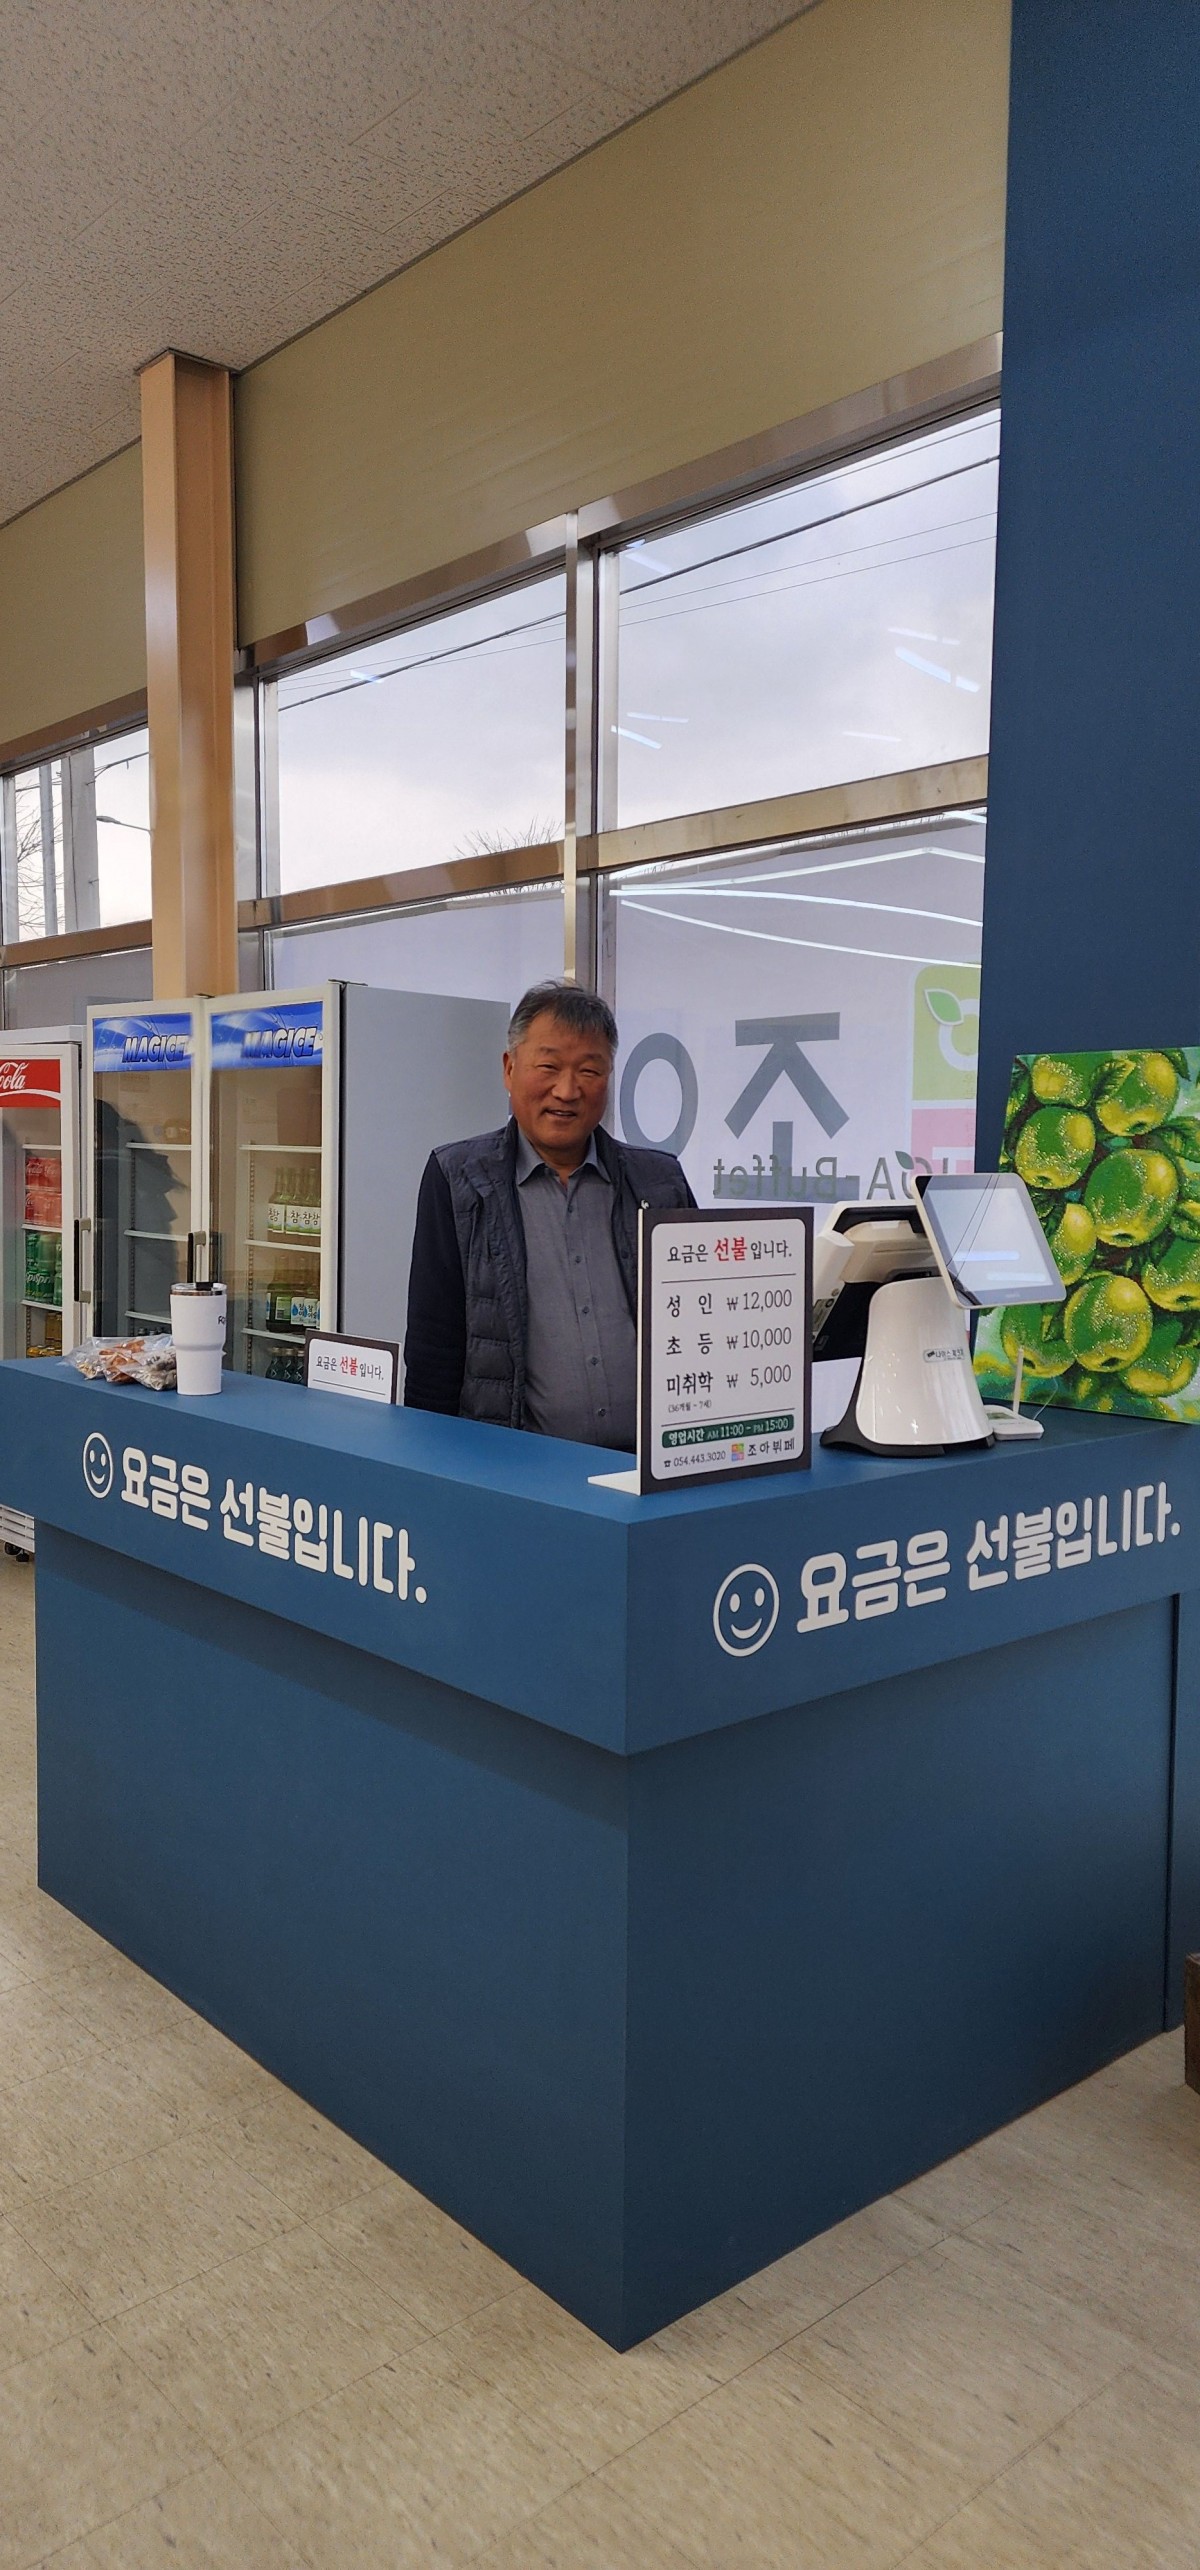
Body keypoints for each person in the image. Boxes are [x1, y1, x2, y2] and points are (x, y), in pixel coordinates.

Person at [404, 979, 695, 1447]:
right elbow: (433, 1346)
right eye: (549, 1066)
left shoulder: (660, 1182)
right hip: (513, 1468)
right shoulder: (458, 1179)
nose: (567, 1090)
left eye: (589, 1070)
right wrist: (428, 1463)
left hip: (646, 1467)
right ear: (509, 1068)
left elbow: (701, 1324)